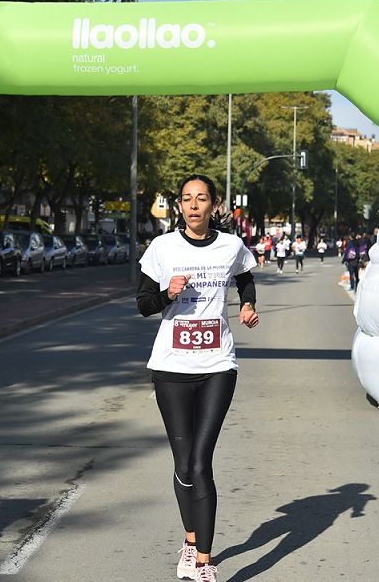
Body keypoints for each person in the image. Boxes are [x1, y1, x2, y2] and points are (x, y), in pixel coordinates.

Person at [136, 174, 260, 582]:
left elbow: (244, 275)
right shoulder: (162, 247)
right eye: (187, 199)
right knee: (183, 465)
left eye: (201, 198)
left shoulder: (230, 245)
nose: (193, 205)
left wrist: (247, 304)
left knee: (201, 462)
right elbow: (143, 304)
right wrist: (168, 294)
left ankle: (204, 564)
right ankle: (190, 543)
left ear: (213, 205)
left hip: (217, 366)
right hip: (171, 368)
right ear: (180, 206)